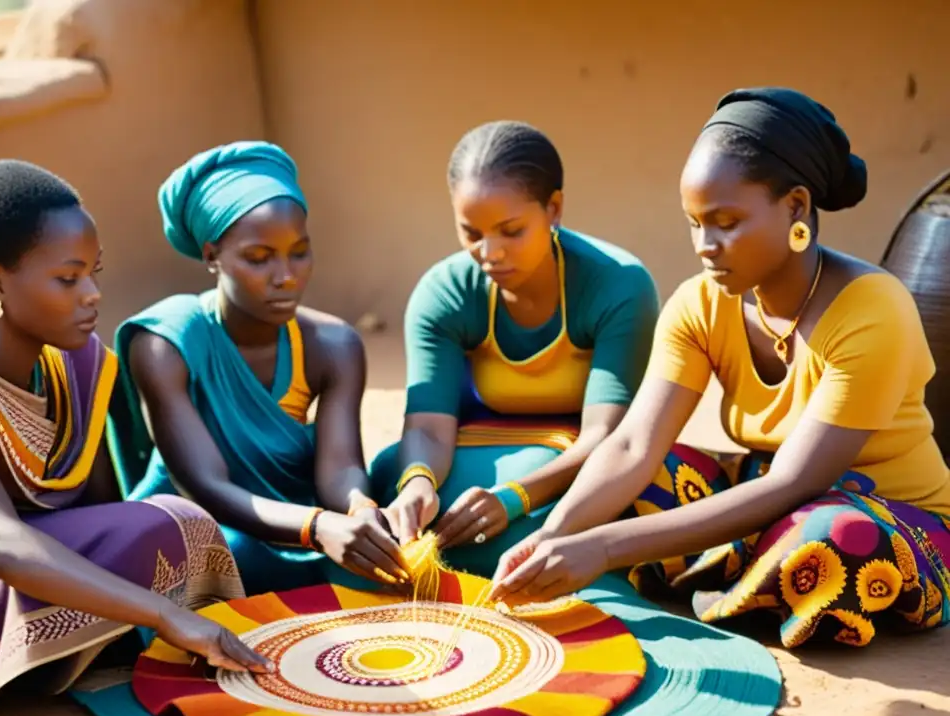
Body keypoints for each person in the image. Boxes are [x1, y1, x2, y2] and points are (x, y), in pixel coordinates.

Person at [491, 88, 950, 649]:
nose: (705, 245)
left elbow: (795, 481)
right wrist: (551, 535)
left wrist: (605, 546)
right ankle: (751, 572)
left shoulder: (873, 310)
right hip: (766, 500)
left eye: (727, 222)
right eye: (694, 223)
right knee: (656, 473)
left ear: (797, 207)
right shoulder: (699, 304)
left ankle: (735, 569)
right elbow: (636, 445)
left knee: (835, 539)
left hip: (891, 519)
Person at [0, 160, 265, 716]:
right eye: (68, 279)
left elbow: (101, 511)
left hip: (21, 570)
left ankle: (76, 652)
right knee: (154, 529)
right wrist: (161, 614)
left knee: (175, 522)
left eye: (94, 273)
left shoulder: (76, 365)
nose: (93, 295)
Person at [108, 142, 407, 597]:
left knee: (388, 547)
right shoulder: (166, 343)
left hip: (298, 522)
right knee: (223, 554)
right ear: (211, 256)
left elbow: (340, 466)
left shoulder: (333, 345)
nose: (286, 276)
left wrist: (359, 509)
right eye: (259, 258)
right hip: (205, 524)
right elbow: (203, 485)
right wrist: (316, 527)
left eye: (299, 252)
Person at [369, 121, 660, 575]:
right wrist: (417, 485)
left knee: (621, 491)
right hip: (471, 455)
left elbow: (609, 437)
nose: (490, 253)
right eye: (471, 233)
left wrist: (514, 498)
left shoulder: (618, 284)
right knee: (390, 472)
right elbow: (426, 428)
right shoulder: (444, 292)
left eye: (511, 230)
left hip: (577, 467)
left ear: (554, 208)